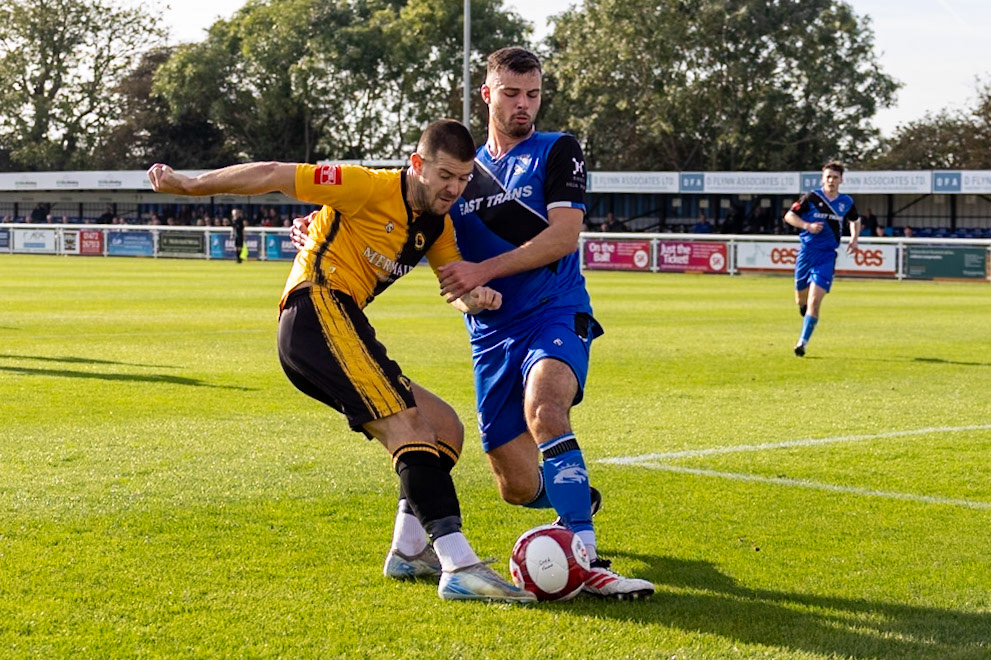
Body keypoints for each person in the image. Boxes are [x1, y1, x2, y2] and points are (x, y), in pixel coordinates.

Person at [148, 119, 534, 604]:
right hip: (315, 309)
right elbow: (273, 173)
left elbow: (453, 288)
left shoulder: (437, 226)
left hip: (338, 321)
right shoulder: (364, 186)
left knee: (444, 428)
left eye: (462, 178)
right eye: (445, 176)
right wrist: (190, 183)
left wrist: (475, 299)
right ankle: (459, 565)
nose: (454, 189)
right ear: (418, 164)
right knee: (409, 427)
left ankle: (409, 551)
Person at [437, 47, 654, 599]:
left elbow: (563, 236)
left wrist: (483, 268)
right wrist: (470, 297)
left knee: (545, 406)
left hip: (556, 311)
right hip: (490, 336)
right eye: (511, 94)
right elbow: (446, 271)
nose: (523, 106)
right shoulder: (462, 172)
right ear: (487, 94)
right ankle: (572, 495)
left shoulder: (558, 150)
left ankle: (585, 551)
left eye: (532, 94)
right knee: (514, 486)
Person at [783, 161, 861, 357]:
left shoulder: (846, 202)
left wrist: (854, 239)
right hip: (807, 253)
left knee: (814, 301)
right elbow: (789, 216)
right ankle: (804, 310)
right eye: (828, 177)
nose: (831, 180)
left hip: (827, 256)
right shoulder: (811, 198)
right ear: (822, 179)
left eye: (835, 177)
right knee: (801, 299)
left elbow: (855, 220)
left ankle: (802, 343)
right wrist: (807, 226)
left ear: (841, 180)